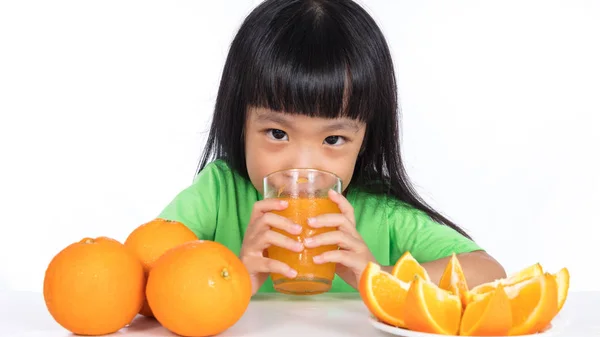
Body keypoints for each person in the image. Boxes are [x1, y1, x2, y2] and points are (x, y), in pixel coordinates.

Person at [158, 0, 507, 295]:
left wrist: (381, 276)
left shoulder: (379, 211)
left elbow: (489, 272)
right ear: (240, 122)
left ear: (364, 140)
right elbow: (147, 272)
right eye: (277, 133)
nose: (303, 167)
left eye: (333, 140)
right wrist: (234, 279)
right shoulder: (219, 194)